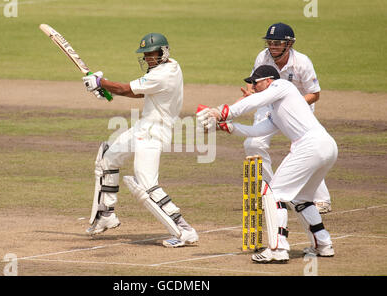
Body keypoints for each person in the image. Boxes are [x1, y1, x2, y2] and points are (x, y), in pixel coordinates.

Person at [197, 65, 337, 263]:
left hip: (310, 145)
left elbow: (255, 100)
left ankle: (278, 249)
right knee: (302, 199)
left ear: (268, 80)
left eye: (256, 82)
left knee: (274, 195)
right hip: (326, 146)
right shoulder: (276, 109)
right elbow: (258, 131)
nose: (253, 86)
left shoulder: (282, 85)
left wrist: (223, 112)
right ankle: (323, 244)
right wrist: (226, 127)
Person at [82, 33, 198, 248]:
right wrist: (105, 89)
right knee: (107, 159)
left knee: (146, 186)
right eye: (145, 55)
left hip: (154, 132)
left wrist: (100, 82)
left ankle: (184, 229)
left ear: (163, 52)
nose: (147, 58)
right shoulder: (171, 66)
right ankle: (106, 214)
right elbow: (138, 93)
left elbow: (126, 88)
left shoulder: (164, 74)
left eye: (151, 54)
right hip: (143, 127)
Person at [239, 23, 332, 214]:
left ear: (288, 44)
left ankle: (321, 199)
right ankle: (272, 193)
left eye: (277, 43)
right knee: (252, 144)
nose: (272, 46)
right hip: (268, 104)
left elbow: (314, 94)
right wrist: (251, 94)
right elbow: (254, 83)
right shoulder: (262, 57)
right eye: (270, 42)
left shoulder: (302, 62)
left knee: (307, 149)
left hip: (299, 107)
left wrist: (293, 104)